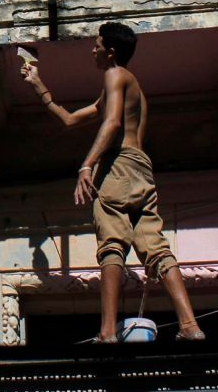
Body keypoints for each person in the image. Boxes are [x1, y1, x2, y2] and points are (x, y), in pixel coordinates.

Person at [21, 22, 205, 343]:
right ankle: (190, 327)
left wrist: (87, 165)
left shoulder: (115, 75)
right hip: (140, 169)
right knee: (156, 249)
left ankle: (107, 333)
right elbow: (69, 119)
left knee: (111, 246)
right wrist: (38, 84)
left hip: (118, 167)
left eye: (96, 45)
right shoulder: (123, 86)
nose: (92, 50)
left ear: (111, 51)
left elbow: (112, 122)